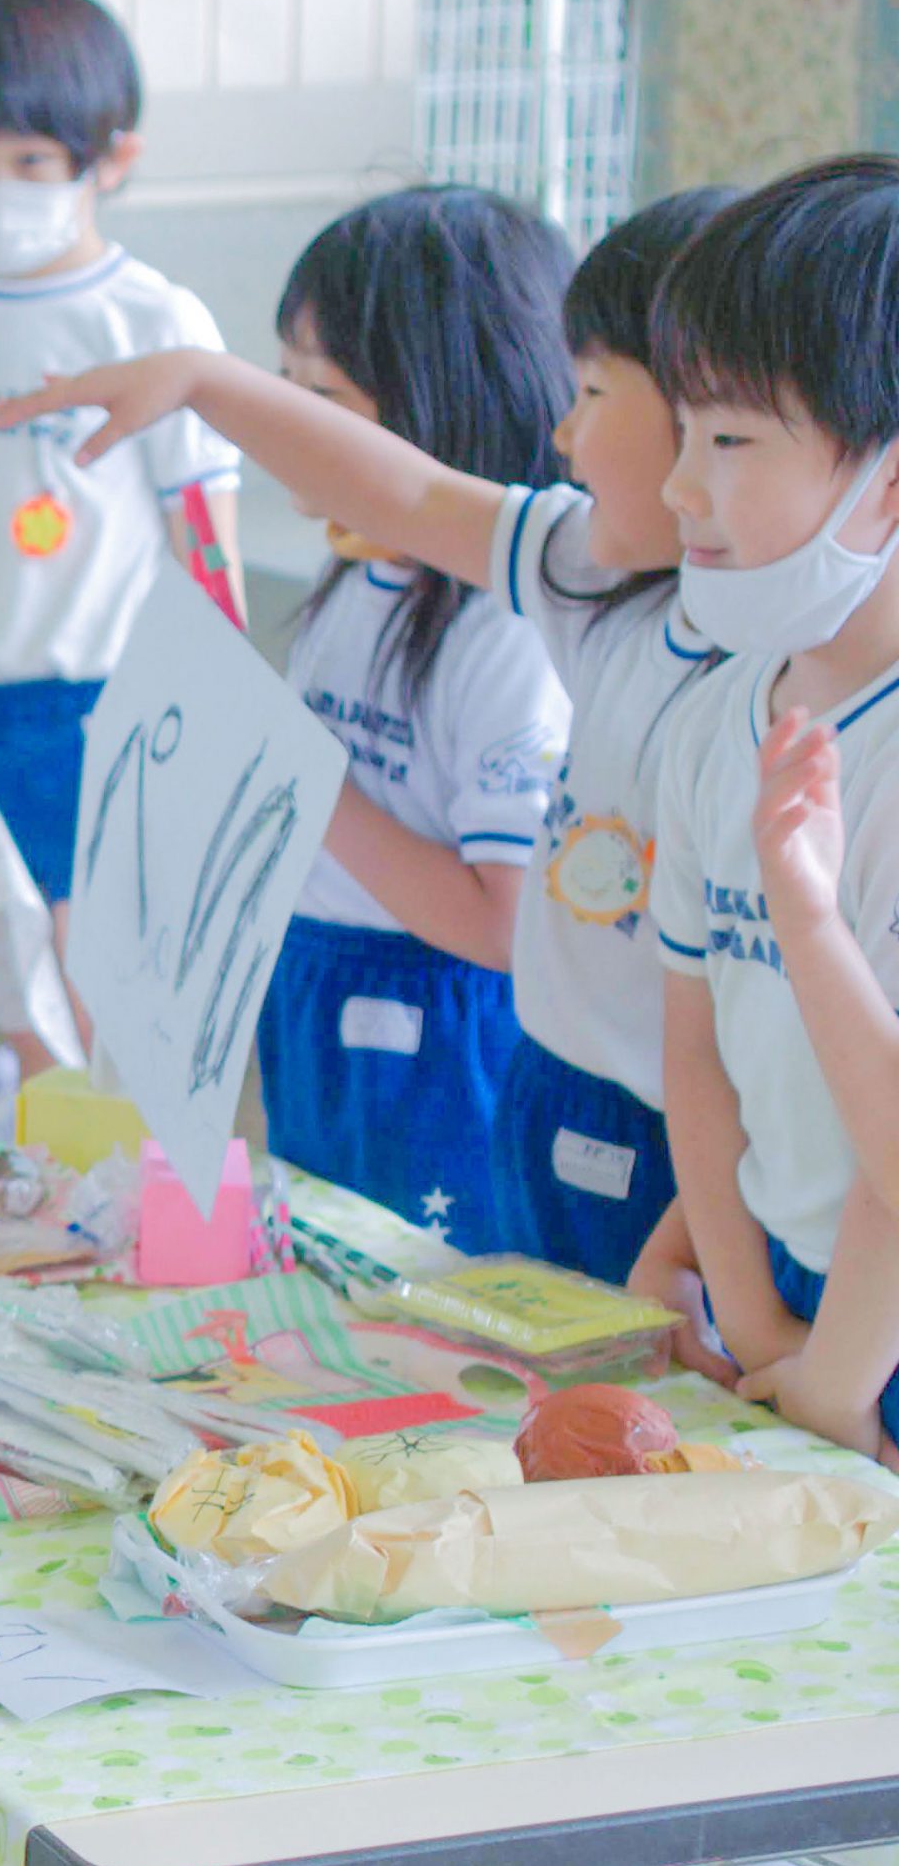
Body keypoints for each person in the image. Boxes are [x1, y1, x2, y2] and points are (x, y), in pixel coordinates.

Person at [0, 190, 812, 1866]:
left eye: (658, 408)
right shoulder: (588, 574)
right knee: (557, 1522)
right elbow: (413, 491)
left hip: (689, 1153)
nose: (587, 437)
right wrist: (196, 385)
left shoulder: (761, 637)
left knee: (694, 1572)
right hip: (593, 1104)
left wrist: (724, 1236)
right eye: (644, 409)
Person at [622, 155, 899, 1866]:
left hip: (881, 1327)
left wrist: (836, 1364)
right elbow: (688, 1048)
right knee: (853, 1766)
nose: (679, 485)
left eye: (735, 438)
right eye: (678, 429)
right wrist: (732, 1292)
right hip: (798, 1309)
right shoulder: (745, 675)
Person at [0, 0, 244, 1055]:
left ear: (110, 160)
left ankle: (132, 1217)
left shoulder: (150, 317)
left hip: (96, 706)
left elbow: (202, 529)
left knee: (111, 1011)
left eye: (31, 164)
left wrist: (208, 715)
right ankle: (53, 1207)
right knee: (11, 1003)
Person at [241, 187, 574, 1250]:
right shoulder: (357, 567)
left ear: (446, 402)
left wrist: (305, 786)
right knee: (324, 1274)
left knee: (429, 1303)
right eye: (282, 390)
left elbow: (503, 924)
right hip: (317, 983)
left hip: (439, 1025)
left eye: (324, 399)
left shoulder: (503, 635)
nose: (285, 431)